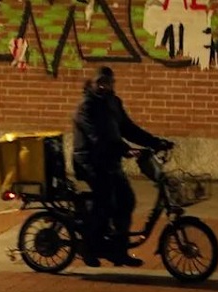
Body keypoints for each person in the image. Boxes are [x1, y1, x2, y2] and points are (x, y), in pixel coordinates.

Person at [71, 65, 174, 268]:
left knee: (126, 200)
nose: (104, 86)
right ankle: (89, 246)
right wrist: (126, 150)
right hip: (90, 162)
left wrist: (155, 142)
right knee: (106, 202)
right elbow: (97, 138)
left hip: (110, 161)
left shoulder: (113, 102)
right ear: (92, 83)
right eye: (100, 82)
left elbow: (128, 128)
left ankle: (119, 251)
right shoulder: (86, 107)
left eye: (108, 82)